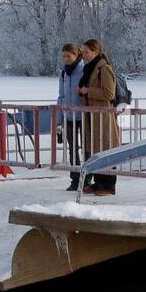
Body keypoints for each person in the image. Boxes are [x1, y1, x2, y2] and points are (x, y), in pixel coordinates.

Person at [76, 38, 119, 195]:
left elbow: (109, 93)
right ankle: (98, 182)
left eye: (86, 52)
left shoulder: (104, 69)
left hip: (103, 115)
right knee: (95, 149)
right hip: (93, 115)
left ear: (95, 52)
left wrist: (88, 91)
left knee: (106, 148)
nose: (84, 55)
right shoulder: (90, 69)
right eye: (83, 52)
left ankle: (109, 185)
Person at [56, 43, 84, 190]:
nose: (66, 59)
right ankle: (75, 179)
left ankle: (87, 178)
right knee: (72, 149)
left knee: (87, 149)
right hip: (69, 117)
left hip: (84, 116)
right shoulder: (63, 73)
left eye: (69, 56)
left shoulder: (85, 69)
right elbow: (61, 96)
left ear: (76, 54)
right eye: (64, 56)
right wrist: (59, 119)